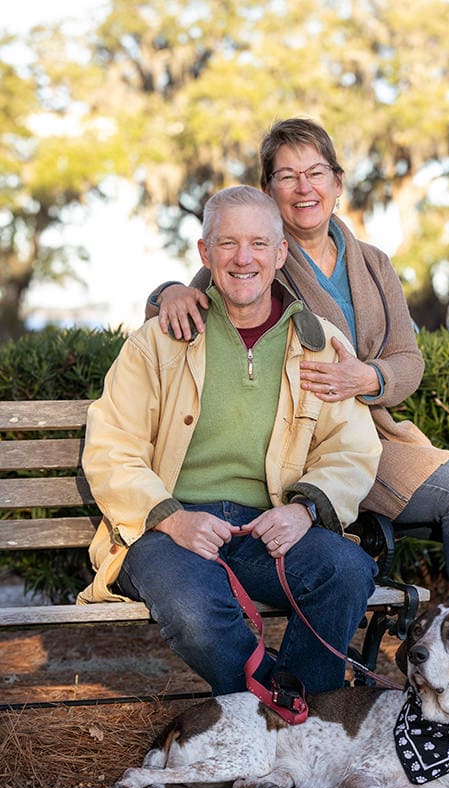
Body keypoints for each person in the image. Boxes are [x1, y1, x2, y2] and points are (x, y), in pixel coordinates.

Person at [147, 119, 449, 733]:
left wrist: (369, 378)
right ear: (267, 189)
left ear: (338, 181)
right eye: (286, 176)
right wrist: (164, 291)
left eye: (315, 173)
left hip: (374, 432)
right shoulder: (268, 255)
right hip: (308, 442)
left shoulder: (373, 263)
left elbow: (410, 361)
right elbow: (209, 289)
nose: (303, 188)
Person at [79, 186, 383, 700]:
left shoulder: (319, 341)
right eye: (228, 244)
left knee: (348, 570)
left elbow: (350, 447)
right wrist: (173, 518)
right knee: (196, 610)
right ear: (204, 253)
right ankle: (285, 709)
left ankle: (284, 723)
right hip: (165, 529)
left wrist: (303, 511)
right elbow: (112, 446)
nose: (244, 259)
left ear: (281, 253)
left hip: (266, 527)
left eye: (260, 244)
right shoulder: (158, 340)